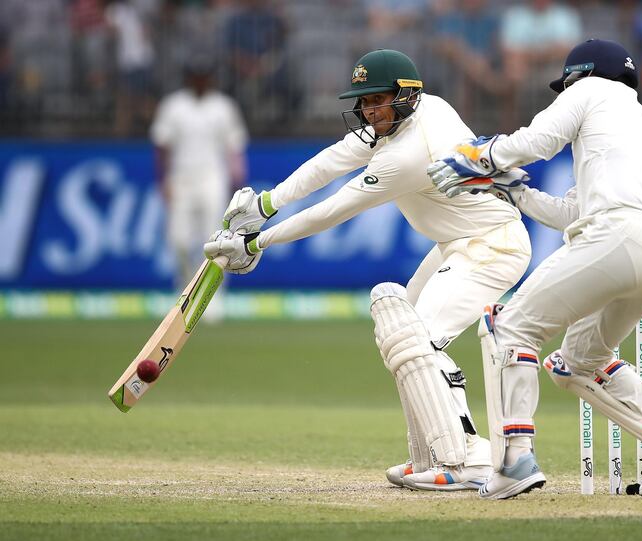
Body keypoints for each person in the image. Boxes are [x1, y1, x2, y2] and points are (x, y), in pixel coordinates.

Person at [203, 49, 532, 491]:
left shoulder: (408, 153)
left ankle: (469, 458)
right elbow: (333, 159)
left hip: (493, 246)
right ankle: (434, 454)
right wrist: (266, 204)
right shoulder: (413, 114)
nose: (368, 111)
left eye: (378, 100)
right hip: (460, 243)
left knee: (421, 342)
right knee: (401, 339)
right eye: (363, 102)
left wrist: (256, 242)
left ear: (406, 95)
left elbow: (333, 210)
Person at [428, 39, 642, 499]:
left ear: (582, 75)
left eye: (565, 85)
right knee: (575, 364)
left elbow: (537, 142)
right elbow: (570, 212)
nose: (562, 94)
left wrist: (482, 156)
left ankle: (514, 460)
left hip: (617, 236)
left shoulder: (590, 91)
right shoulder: (633, 126)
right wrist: (514, 191)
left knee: (507, 329)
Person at [151, 57, 248, 295]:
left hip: (213, 177)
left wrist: (238, 179)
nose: (201, 81)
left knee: (215, 241)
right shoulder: (174, 105)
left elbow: (234, 147)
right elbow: (162, 146)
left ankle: (212, 297)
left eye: (205, 76)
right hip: (181, 177)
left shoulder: (223, 106)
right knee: (179, 239)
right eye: (197, 76)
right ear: (188, 78)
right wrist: (163, 180)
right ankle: (184, 290)